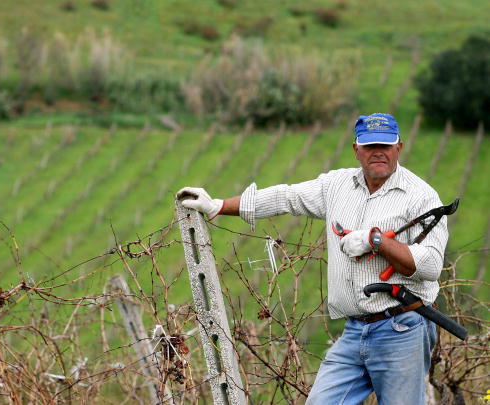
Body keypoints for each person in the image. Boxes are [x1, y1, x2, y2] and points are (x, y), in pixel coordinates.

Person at [177, 113, 447, 404]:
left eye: (386, 145)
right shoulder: (336, 186)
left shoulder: (421, 197)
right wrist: (218, 205)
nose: (378, 152)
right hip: (355, 330)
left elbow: (430, 265)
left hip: (401, 328)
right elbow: (286, 197)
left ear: (399, 148)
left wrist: (376, 240)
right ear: (356, 149)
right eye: (369, 146)